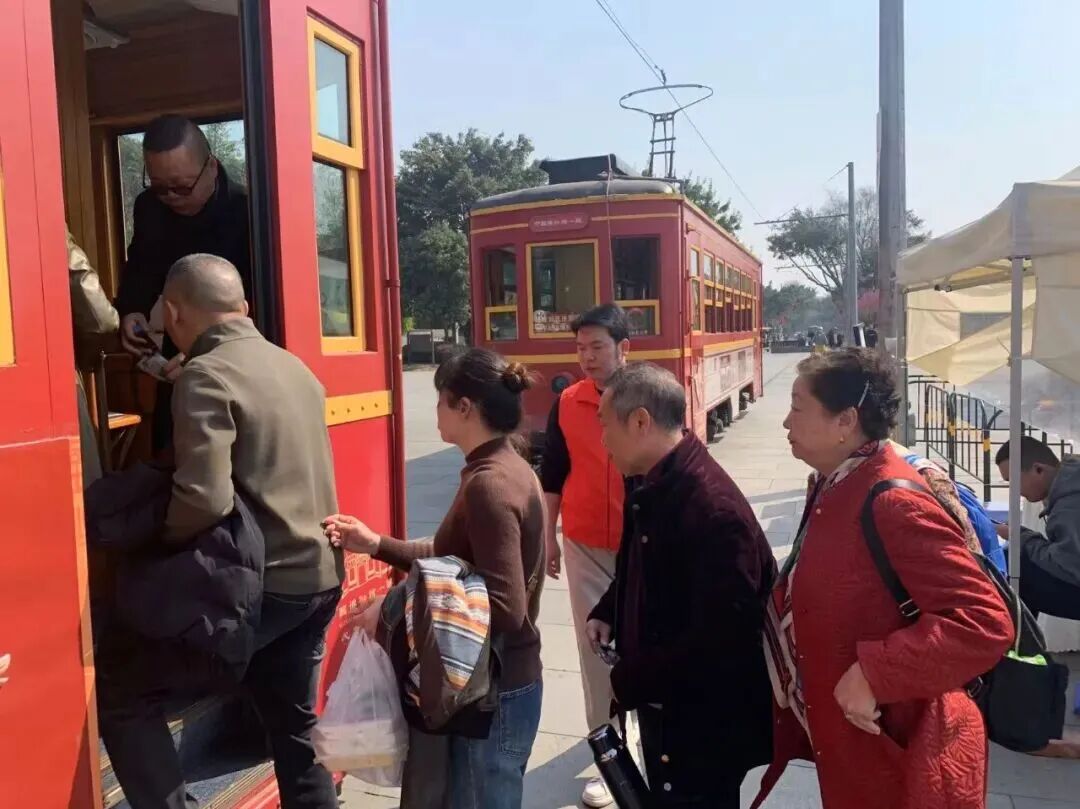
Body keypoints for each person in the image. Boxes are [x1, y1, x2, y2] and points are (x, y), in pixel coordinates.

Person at [96, 254, 342, 809]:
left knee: (123, 690)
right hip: (320, 580)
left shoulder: (206, 375)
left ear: (174, 313)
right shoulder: (293, 366)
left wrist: (156, 541)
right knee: (295, 728)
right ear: (244, 307)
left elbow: (203, 499)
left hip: (263, 590)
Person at [753, 348, 1013, 809]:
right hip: (857, 745)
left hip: (901, 754)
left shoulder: (892, 501)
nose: (786, 422)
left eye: (797, 407)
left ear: (845, 421)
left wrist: (875, 673)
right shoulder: (834, 482)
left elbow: (983, 622)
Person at [324, 348, 544, 809]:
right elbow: (459, 559)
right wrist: (376, 544)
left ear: (464, 407)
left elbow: (505, 607)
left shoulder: (489, 484)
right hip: (503, 684)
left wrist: (392, 610)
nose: (435, 410)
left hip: (493, 697)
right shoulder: (502, 466)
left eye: (441, 400)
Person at [587, 363, 776, 807]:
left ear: (640, 422)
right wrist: (609, 608)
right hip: (671, 706)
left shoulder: (710, 508)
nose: (603, 439)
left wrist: (631, 677)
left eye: (605, 425)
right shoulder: (656, 481)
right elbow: (640, 562)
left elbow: (721, 638)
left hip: (700, 723)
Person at [538, 303, 637, 809]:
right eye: (581, 348)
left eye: (598, 346)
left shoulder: (648, 397)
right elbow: (553, 472)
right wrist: (548, 535)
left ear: (624, 348)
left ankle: (646, 735)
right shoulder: (568, 402)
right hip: (584, 544)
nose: (588, 357)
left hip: (642, 546)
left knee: (643, 644)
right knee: (595, 652)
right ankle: (612, 755)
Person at [115, 114, 252, 452]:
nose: (171, 196)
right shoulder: (149, 207)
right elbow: (141, 264)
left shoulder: (249, 211)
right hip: (175, 354)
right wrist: (131, 309)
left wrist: (209, 358)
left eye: (182, 186)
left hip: (241, 360)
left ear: (212, 167)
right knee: (171, 447)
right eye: (160, 186)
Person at [996, 437, 1080, 618]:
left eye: (1014, 481)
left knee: (1015, 567)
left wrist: (1021, 537)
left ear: (1039, 470)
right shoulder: (1071, 485)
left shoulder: (1070, 505)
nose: (1014, 490)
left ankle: (1018, 636)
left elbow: (1066, 566)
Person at [67, 226, 121, 486]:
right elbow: (100, 320)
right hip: (53, 375)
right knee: (80, 488)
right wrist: (85, 359)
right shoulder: (44, 224)